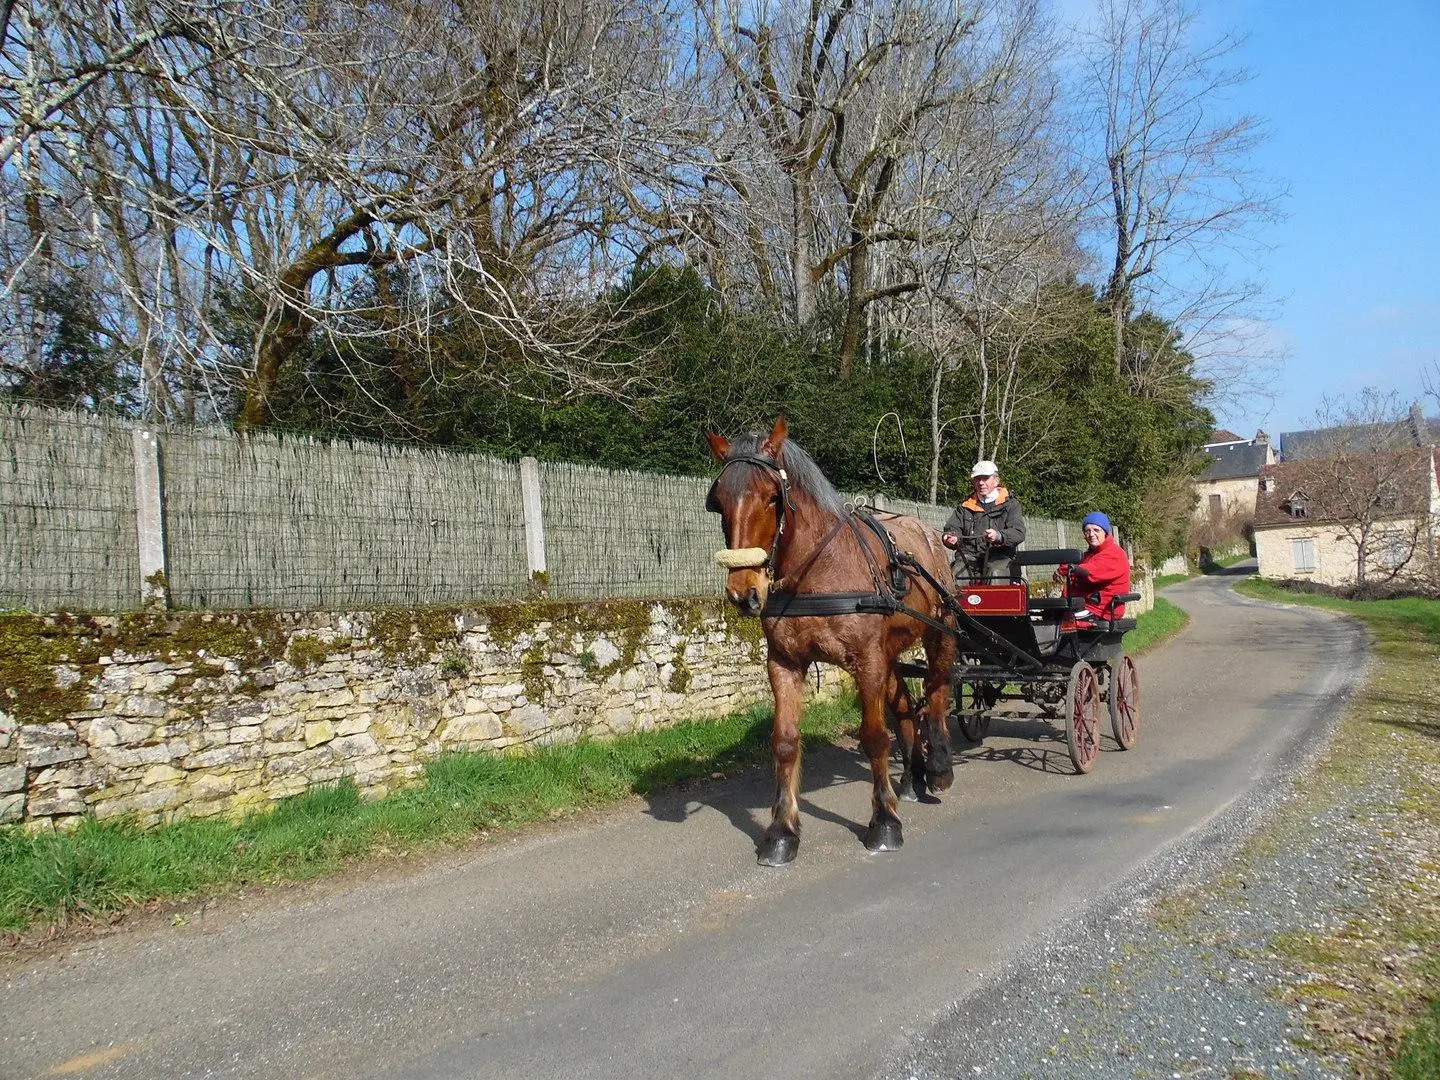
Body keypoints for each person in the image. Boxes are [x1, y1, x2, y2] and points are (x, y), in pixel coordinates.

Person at [942, 460, 1026, 583]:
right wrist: (950, 538)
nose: (981, 483)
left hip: (1000, 556)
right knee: (956, 574)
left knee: (995, 573)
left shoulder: (1011, 505)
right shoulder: (965, 506)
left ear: (996, 481)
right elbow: (952, 529)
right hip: (968, 558)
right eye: (977, 479)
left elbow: (1018, 532)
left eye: (985, 478)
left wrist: (998, 536)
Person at [1055, 511, 1131, 621]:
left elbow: (1091, 573)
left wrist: (1065, 570)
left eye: (1096, 530)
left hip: (1101, 610)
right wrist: (1062, 571)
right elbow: (1077, 568)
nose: (1091, 534)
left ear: (1105, 532)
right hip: (1081, 605)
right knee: (1047, 616)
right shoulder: (1088, 555)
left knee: (1063, 621)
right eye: (1087, 531)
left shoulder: (1115, 554)